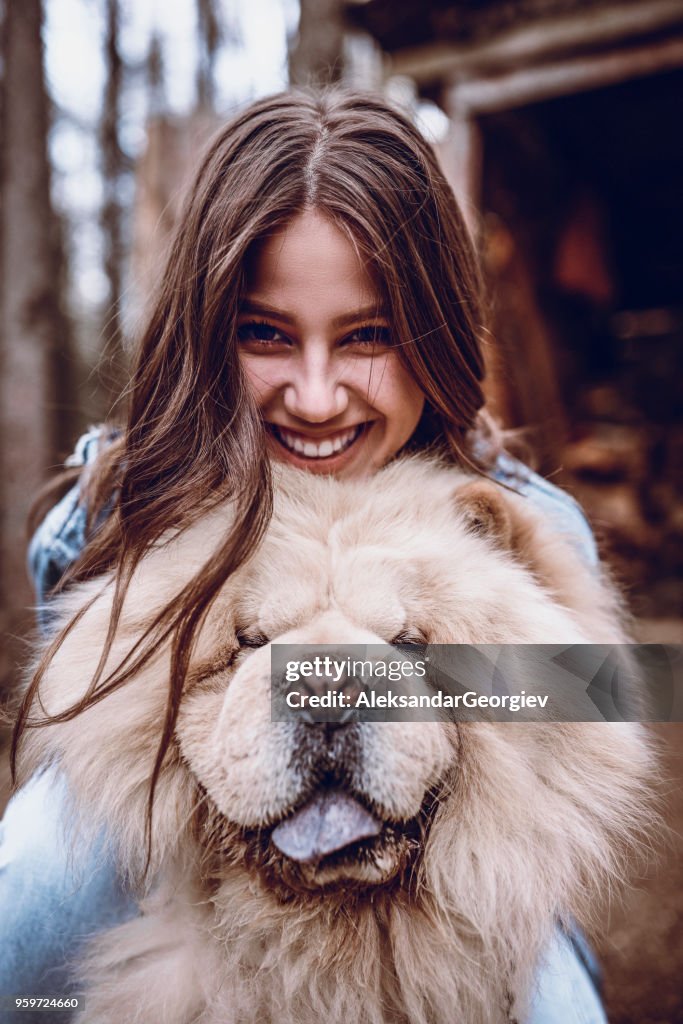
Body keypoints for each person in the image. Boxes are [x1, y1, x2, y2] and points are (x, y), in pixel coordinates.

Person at [1, 89, 605, 1024]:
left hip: (459, 884)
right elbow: (77, 715)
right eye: (266, 334)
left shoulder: (521, 513)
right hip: (181, 872)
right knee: (38, 871)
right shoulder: (124, 497)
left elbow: (606, 700)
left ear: (434, 328)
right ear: (208, 330)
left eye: (367, 335)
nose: (316, 398)